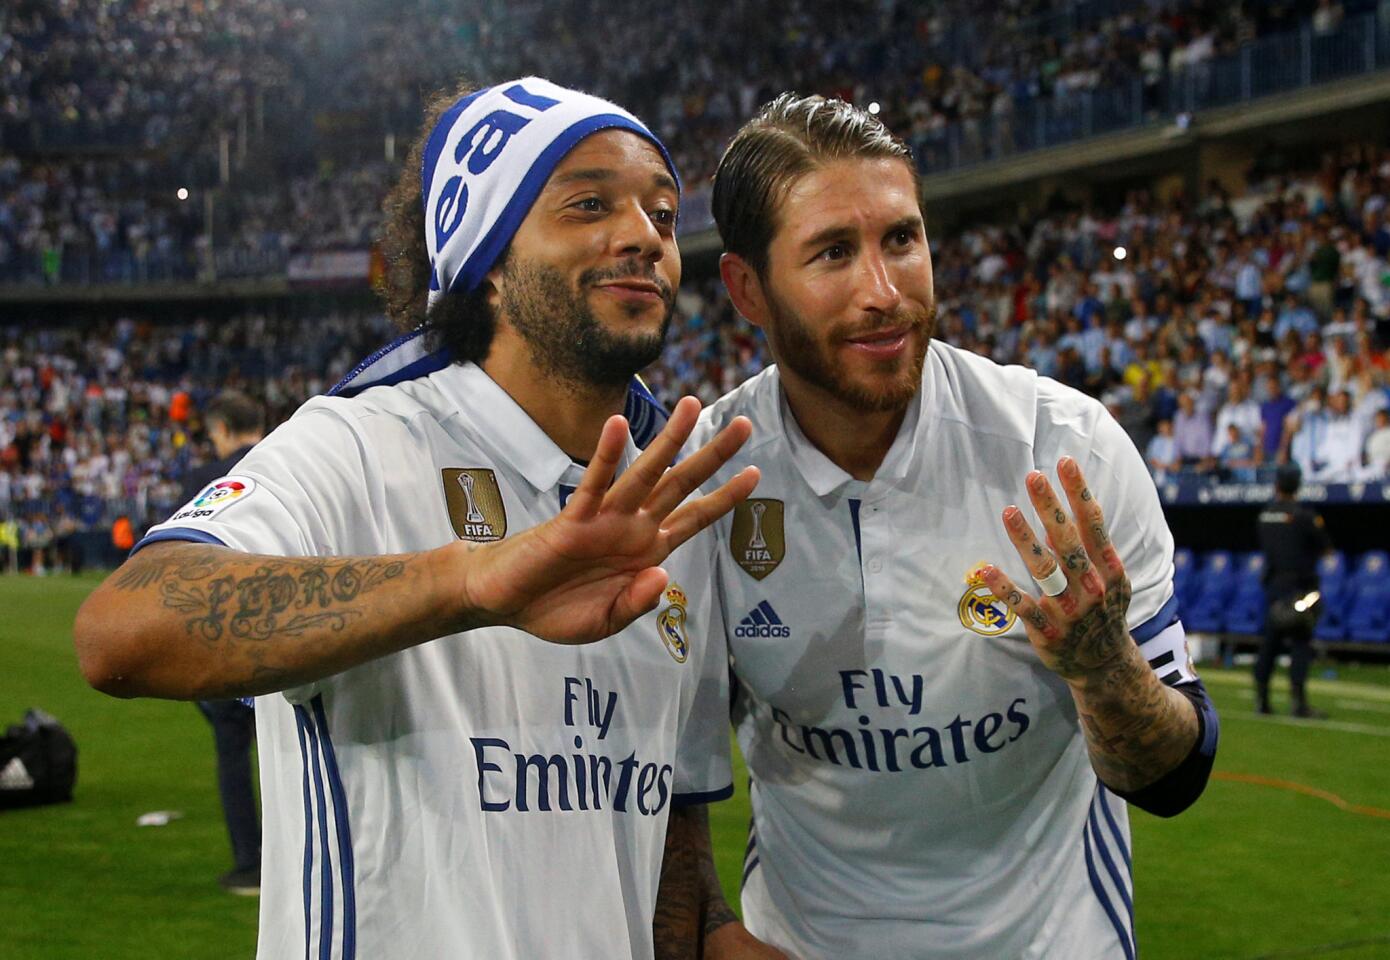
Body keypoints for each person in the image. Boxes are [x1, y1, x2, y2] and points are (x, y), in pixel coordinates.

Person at [75, 77, 763, 959]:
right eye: (589, 205)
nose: (644, 237)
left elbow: (666, 835)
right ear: (487, 260)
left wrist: (709, 934)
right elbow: (122, 630)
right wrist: (464, 583)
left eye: (664, 216)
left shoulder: (666, 492)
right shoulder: (362, 442)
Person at [688, 94, 1219, 959]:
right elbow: (666, 768)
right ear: (749, 288)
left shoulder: (1063, 452)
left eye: (901, 238)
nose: (885, 292)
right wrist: (709, 931)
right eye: (833, 253)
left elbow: (1172, 778)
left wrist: (1103, 666)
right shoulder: (709, 480)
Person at [180, 390, 268, 894]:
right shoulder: (300, 457)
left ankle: (251, 863)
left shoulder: (205, 481)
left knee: (232, 751)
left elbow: (188, 565)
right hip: (297, 629)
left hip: (226, 636)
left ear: (220, 428)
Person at [1255, 464, 1333, 718]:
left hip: (1274, 587)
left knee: (1271, 643)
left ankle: (1262, 699)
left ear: (1277, 485)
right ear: (1298, 485)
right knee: (1300, 641)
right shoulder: (1305, 516)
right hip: (1301, 588)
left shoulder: (1265, 514)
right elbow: (1325, 548)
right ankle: (1299, 702)